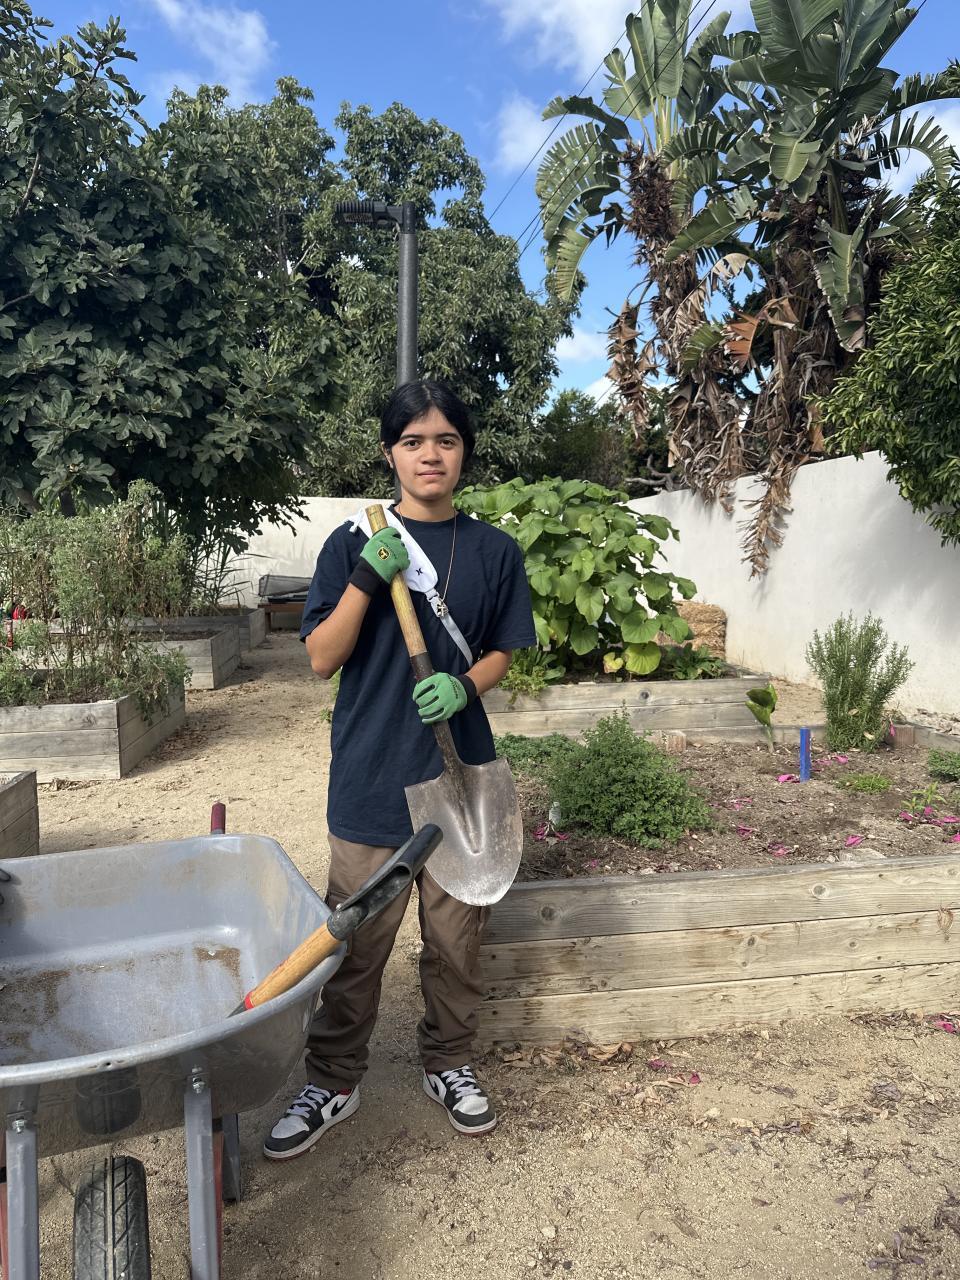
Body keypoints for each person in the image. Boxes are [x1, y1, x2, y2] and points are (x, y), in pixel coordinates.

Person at [264, 380, 536, 1160]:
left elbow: (504, 651)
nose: (430, 455)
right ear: (391, 454)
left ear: (464, 453)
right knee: (355, 942)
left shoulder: (493, 551)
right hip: (372, 769)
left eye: (445, 440)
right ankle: (334, 1078)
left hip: (460, 773)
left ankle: (448, 1062)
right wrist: (363, 578)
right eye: (413, 441)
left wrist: (466, 685)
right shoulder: (352, 542)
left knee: (455, 942)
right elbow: (321, 658)